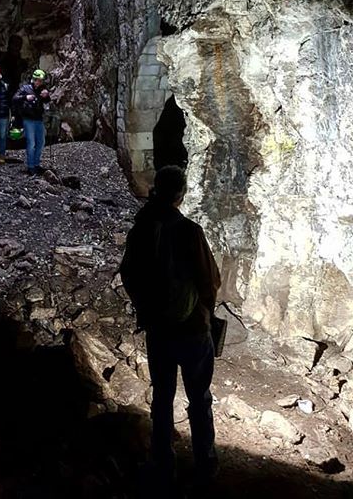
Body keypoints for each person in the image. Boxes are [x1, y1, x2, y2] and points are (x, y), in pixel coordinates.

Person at [120, 166, 221, 490]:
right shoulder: (190, 231)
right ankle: (205, 464)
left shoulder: (141, 229)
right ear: (181, 193)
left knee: (162, 398)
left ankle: (162, 463)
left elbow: (128, 275)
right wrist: (204, 309)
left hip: (158, 331)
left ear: (156, 190)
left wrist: (146, 308)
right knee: (199, 397)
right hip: (192, 330)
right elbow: (211, 280)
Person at [12, 69, 51, 176]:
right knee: (31, 143)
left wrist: (46, 96)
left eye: (41, 80)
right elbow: (14, 98)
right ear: (33, 79)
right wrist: (25, 97)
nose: (39, 82)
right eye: (37, 80)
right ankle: (30, 166)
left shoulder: (42, 90)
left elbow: (47, 102)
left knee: (41, 142)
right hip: (28, 119)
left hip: (38, 119)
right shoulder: (25, 88)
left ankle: (36, 163)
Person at [0, 34, 27, 98]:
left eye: (18, 44)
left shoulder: (22, 62)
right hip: (1, 89)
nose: (16, 46)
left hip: (15, 90)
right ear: (10, 44)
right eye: (14, 43)